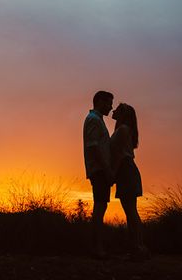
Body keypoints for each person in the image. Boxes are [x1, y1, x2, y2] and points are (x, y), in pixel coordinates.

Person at [110, 103, 149, 259]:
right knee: (131, 212)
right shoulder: (125, 129)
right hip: (127, 170)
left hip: (125, 170)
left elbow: (119, 154)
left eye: (117, 110)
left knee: (131, 212)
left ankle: (137, 247)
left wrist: (112, 173)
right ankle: (138, 246)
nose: (114, 111)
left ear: (123, 114)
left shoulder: (123, 130)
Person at [83, 90, 114, 258]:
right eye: (109, 103)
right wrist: (107, 169)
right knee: (100, 207)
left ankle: (97, 247)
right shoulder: (94, 120)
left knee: (101, 206)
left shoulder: (97, 120)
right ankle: (96, 248)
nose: (111, 107)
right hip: (99, 170)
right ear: (100, 102)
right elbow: (93, 146)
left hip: (100, 169)